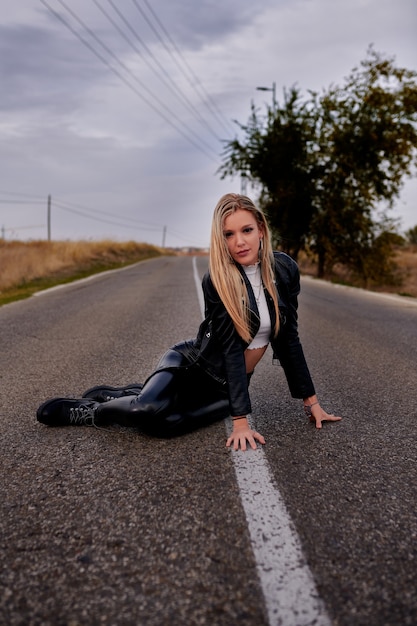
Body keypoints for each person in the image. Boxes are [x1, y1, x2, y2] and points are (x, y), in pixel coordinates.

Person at [37, 193, 341, 450]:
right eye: (229, 234)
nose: (239, 242)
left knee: (165, 426)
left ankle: (127, 393)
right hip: (190, 368)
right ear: (220, 239)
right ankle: (94, 411)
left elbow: (289, 340)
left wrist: (312, 403)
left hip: (227, 388)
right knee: (146, 411)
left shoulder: (285, 270)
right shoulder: (219, 280)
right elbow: (232, 351)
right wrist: (240, 422)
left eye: (246, 230)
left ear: (260, 228)